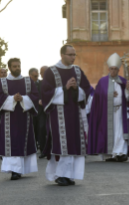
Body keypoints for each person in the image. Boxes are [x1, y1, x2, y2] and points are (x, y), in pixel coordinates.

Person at [42, 44, 91, 186]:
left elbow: (86, 90)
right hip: (58, 116)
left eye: (74, 54)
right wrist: (64, 88)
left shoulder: (77, 71)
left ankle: (69, 175)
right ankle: (60, 175)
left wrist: (77, 89)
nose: (73, 57)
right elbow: (45, 94)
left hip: (75, 115)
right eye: (70, 55)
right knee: (62, 145)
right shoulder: (51, 72)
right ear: (62, 55)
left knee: (73, 143)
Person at [87, 53, 129, 162]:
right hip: (106, 114)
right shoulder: (102, 81)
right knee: (108, 133)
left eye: (115, 69)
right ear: (108, 69)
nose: (113, 71)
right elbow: (97, 97)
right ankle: (109, 154)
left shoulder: (124, 81)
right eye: (111, 69)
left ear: (119, 70)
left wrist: (128, 90)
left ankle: (120, 153)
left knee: (120, 133)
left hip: (120, 112)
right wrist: (109, 95)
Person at [0, 58, 39, 180]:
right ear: (9, 67)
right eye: (14, 66)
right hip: (9, 118)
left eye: (18, 66)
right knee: (12, 141)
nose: (17, 68)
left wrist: (23, 99)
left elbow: (35, 96)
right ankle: (15, 170)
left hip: (24, 118)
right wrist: (12, 99)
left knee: (22, 141)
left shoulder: (28, 81)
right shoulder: (2, 82)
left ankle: (21, 169)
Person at [37, 66, 48, 159]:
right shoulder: (39, 83)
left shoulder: (55, 83)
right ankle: (43, 150)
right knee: (41, 129)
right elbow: (35, 94)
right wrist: (39, 100)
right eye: (41, 72)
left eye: (44, 71)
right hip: (42, 111)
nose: (42, 73)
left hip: (52, 110)